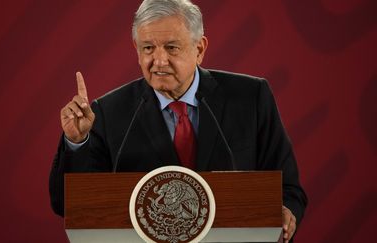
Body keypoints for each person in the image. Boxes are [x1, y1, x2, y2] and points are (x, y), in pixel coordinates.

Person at [49, 0, 307, 242]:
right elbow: (67, 205)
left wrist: (285, 213)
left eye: (171, 47)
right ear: (137, 51)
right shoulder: (108, 112)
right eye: (148, 48)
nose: (159, 61)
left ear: (200, 48)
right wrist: (77, 141)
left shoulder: (250, 97)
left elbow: (289, 189)